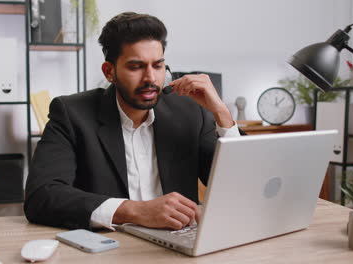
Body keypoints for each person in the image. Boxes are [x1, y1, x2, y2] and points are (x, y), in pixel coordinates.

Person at [24, 12, 241, 231]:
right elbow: (41, 195)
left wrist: (221, 113)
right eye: (136, 67)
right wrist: (135, 211)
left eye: (157, 66)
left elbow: (236, 188)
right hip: (111, 248)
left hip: (179, 243)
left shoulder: (190, 113)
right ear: (109, 72)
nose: (150, 78)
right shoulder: (72, 114)